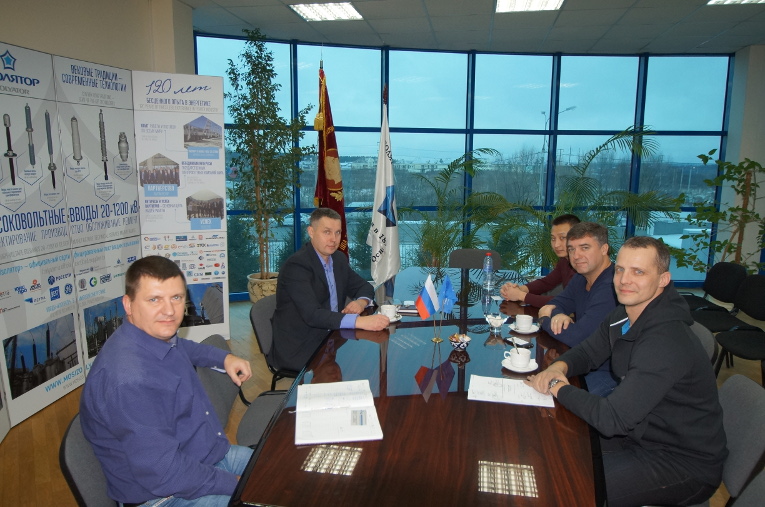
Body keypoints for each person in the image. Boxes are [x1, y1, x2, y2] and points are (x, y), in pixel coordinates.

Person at [525, 237, 726, 507]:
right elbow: (588, 352)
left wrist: (556, 386)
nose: (624, 280)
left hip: (681, 461)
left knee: (567, 485)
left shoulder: (665, 342)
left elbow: (611, 418)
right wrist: (559, 366)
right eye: (620, 270)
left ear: (663, 279)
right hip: (639, 432)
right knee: (556, 451)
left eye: (638, 272)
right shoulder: (624, 313)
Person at [80, 256, 254, 507]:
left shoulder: (153, 334)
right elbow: (166, 473)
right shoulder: (129, 380)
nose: (170, 311)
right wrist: (236, 486)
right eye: (154, 300)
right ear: (128, 304)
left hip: (202, 456)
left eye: (176, 297)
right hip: (164, 494)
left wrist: (223, 357)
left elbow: (182, 347)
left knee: (282, 469)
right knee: (263, 492)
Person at [271, 207, 389, 372]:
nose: (334, 239)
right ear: (311, 231)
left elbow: (364, 286)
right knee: (358, 366)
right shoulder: (296, 266)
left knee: (367, 361)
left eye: (337, 232)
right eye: (327, 232)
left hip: (334, 334)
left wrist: (361, 303)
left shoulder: (338, 259)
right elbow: (313, 315)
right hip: (302, 345)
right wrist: (360, 321)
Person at [536, 221, 618, 395]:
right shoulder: (582, 277)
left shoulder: (612, 287)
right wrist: (558, 314)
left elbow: (577, 337)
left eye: (585, 247)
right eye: (572, 249)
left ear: (604, 249)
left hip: (607, 375)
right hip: (582, 361)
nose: (576, 255)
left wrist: (545, 319)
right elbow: (558, 303)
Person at [500, 214, 580, 307]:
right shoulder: (565, 260)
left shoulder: (582, 266)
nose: (556, 245)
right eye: (553, 238)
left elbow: (566, 302)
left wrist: (520, 295)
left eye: (562, 238)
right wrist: (520, 289)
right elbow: (547, 283)